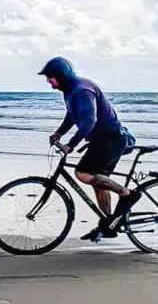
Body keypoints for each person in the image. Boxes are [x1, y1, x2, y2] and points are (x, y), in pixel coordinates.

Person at [39, 57, 134, 243]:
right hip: (103, 139)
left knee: (82, 173)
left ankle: (127, 194)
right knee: (98, 181)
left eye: (51, 77)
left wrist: (71, 145)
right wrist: (59, 133)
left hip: (111, 139)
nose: (48, 81)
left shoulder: (82, 90)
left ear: (61, 75)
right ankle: (109, 223)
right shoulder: (70, 89)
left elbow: (89, 120)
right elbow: (73, 114)